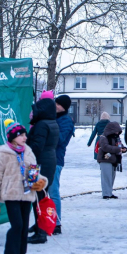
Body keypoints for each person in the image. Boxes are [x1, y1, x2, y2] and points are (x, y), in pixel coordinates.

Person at [0, 121, 48, 254]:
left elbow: (34, 172)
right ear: (12, 137)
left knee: (23, 227)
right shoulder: (1, 153)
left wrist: (41, 181)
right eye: (21, 135)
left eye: (25, 134)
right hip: (11, 195)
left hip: (27, 194)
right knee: (17, 226)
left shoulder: (28, 151)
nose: (25, 137)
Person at [26, 97, 58, 244]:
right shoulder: (52, 122)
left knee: (37, 198)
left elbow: (36, 147)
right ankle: (40, 228)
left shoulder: (42, 125)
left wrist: (25, 152)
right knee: (41, 197)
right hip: (49, 161)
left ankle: (41, 232)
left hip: (38, 164)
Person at [52, 94, 75, 234]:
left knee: (53, 192)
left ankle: (56, 222)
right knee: (40, 193)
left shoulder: (66, 121)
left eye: (58, 104)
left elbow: (59, 140)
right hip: (45, 158)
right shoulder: (54, 118)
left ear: (64, 107)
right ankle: (43, 221)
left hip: (55, 160)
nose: (56, 106)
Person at [95, 121, 123, 199]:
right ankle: (106, 193)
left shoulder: (116, 138)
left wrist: (123, 148)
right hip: (105, 159)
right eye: (116, 131)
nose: (117, 133)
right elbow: (105, 147)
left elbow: (119, 145)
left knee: (111, 177)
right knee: (106, 177)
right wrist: (118, 149)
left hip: (113, 160)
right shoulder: (103, 137)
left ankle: (109, 192)